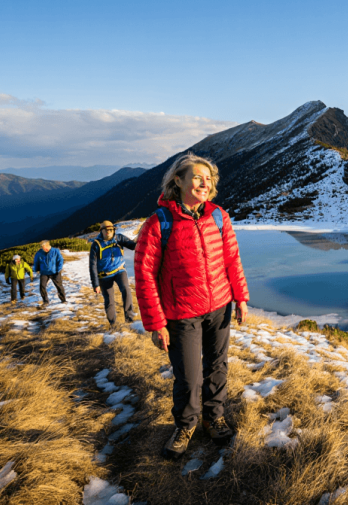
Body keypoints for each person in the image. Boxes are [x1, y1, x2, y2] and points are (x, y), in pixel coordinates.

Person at [134, 153, 250, 459]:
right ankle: (186, 425)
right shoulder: (159, 223)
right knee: (189, 375)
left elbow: (232, 259)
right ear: (178, 180)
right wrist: (156, 324)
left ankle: (214, 418)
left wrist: (240, 297)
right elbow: (144, 275)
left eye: (208, 178)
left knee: (217, 366)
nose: (204, 182)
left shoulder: (218, 216)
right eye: (197, 177)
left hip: (220, 306)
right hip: (181, 313)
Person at [89, 220, 137, 327]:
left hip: (120, 270)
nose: (108, 232)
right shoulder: (96, 245)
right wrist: (95, 284)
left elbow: (132, 246)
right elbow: (92, 266)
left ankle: (129, 319)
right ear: (101, 231)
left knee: (126, 290)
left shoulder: (119, 238)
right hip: (104, 276)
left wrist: (141, 238)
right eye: (106, 230)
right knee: (109, 300)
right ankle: (113, 324)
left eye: (111, 230)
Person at [33, 240, 67, 308]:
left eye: (44, 247)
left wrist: (58, 269)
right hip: (44, 272)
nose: (44, 249)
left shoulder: (55, 251)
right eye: (42, 247)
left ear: (48, 245)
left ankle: (63, 300)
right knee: (42, 286)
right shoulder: (39, 253)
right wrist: (36, 269)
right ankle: (45, 301)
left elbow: (60, 260)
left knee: (59, 286)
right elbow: (36, 261)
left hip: (55, 272)